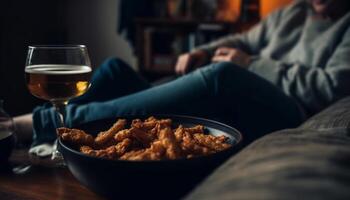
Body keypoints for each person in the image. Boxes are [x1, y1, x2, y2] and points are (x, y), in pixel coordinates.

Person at [15, 0, 350, 146]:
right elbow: (244, 39)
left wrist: (250, 65)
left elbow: (331, 86)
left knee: (221, 75)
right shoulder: (291, 13)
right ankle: (59, 132)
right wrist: (202, 50)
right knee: (116, 69)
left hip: (286, 108)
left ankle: (39, 125)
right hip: (239, 96)